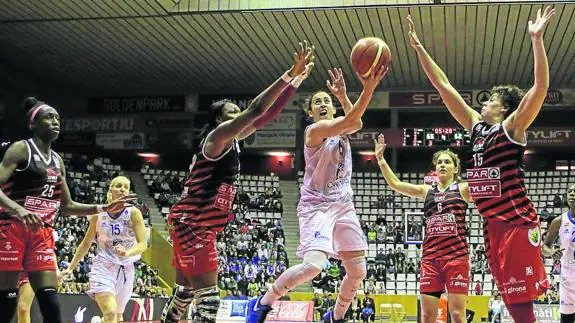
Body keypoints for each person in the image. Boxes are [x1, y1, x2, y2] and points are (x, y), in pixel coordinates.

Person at [406, 7, 555, 322]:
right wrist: (420, 50)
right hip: (492, 226)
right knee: (512, 299)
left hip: (516, 221)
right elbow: (443, 87)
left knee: (521, 300)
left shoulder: (512, 128)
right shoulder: (474, 127)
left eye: (490, 100)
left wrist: (536, 40)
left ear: (503, 109)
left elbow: (539, 89)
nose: (482, 103)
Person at [160, 41, 315, 323]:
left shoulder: (233, 140)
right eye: (233, 111)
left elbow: (267, 115)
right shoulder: (218, 137)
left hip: (192, 223)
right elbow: (256, 110)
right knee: (208, 301)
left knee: (185, 292)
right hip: (194, 224)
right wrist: (287, 74)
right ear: (220, 119)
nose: (239, 114)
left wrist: (296, 81)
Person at [246, 62, 388, 323]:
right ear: (311, 113)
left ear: (332, 107)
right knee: (313, 266)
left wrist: (344, 96)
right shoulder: (314, 131)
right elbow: (352, 120)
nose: (322, 103)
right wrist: (368, 88)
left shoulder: (341, 127)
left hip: (344, 206)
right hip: (317, 207)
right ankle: (262, 302)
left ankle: (335, 317)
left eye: (326, 100)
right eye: (317, 102)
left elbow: (354, 123)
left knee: (358, 272)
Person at [0, 98, 133, 323]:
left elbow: (68, 206)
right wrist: (20, 211)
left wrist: (103, 207)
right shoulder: (22, 149)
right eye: (48, 117)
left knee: (51, 303)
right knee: (7, 303)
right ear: (33, 124)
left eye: (57, 118)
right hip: (11, 230)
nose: (55, 122)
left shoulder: (57, 161)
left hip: (42, 236)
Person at [374, 137, 471, 323]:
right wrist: (381, 160)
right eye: (439, 162)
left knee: (458, 315)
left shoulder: (464, 189)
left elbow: (491, 188)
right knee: (427, 316)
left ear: (456, 169)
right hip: (431, 260)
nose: (442, 165)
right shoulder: (427, 191)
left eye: (447, 162)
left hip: (457, 258)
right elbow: (396, 184)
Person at [59, 176, 147, 323]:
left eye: (126, 186)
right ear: (110, 190)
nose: (123, 189)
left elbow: (143, 244)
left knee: (117, 317)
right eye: (119, 186)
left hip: (126, 269)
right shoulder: (98, 215)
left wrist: (127, 253)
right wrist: (70, 268)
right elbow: (86, 244)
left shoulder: (134, 213)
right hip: (103, 267)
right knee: (111, 313)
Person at [542, 184, 575, 323]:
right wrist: (551, 252)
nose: (572, 194)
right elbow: (545, 246)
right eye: (569, 191)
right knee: (566, 320)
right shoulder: (559, 221)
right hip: (568, 279)